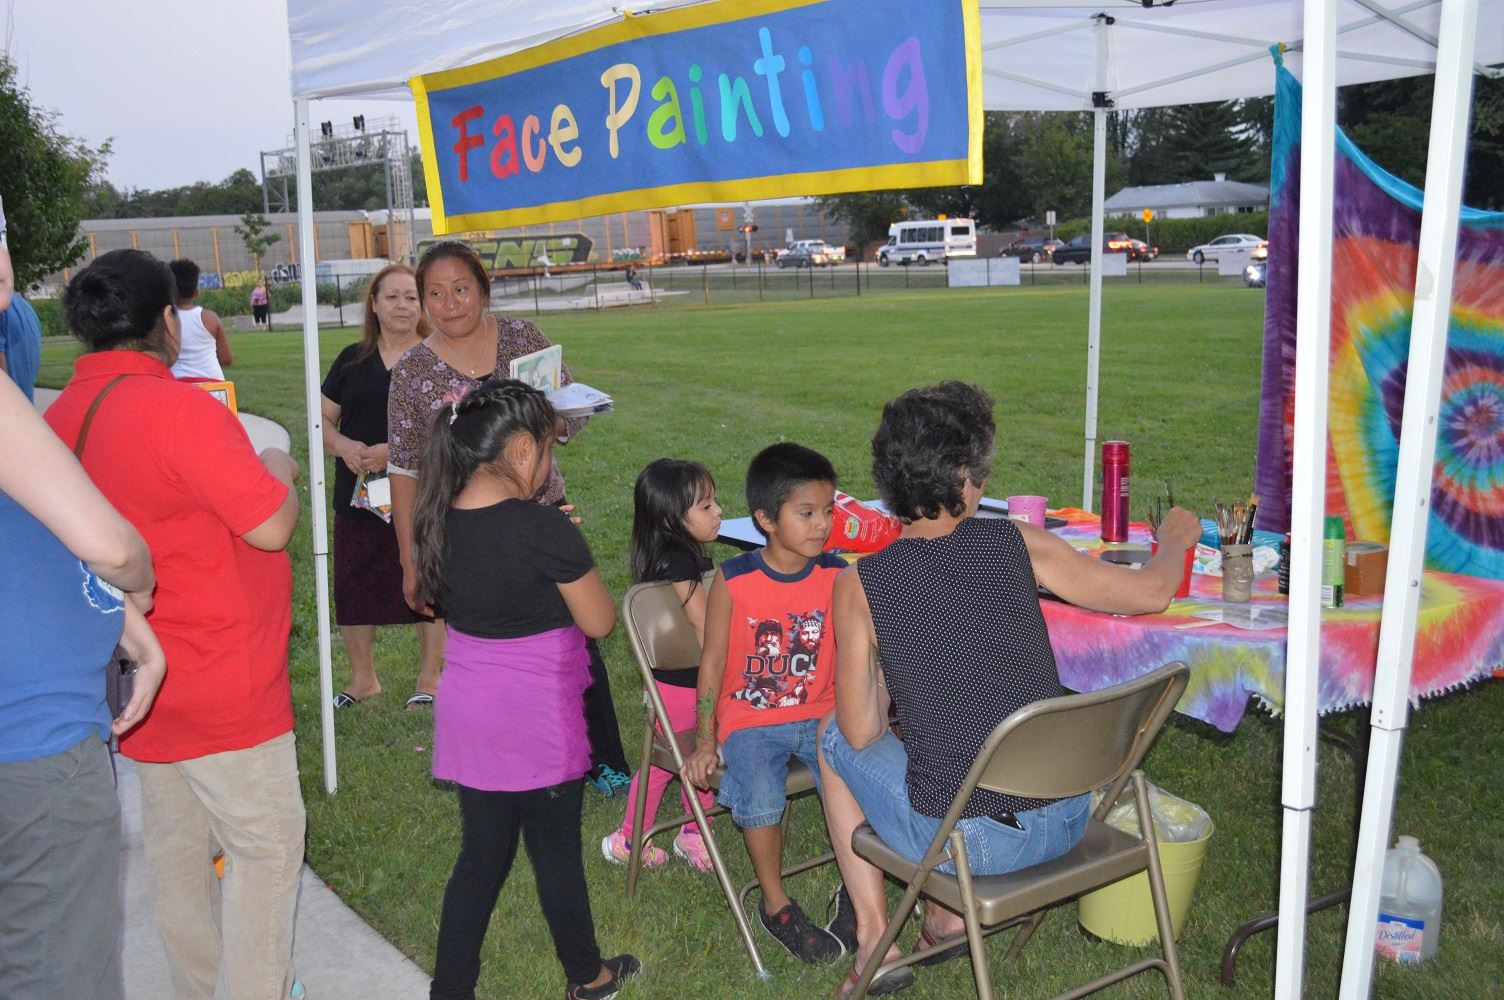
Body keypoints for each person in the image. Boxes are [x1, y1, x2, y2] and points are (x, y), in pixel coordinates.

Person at [816, 381, 1202, 997]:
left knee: (833, 734)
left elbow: (863, 731)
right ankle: (939, 917)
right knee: (930, 743)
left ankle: (874, 939)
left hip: (976, 847)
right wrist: (1177, 541)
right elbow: (1152, 593)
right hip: (1071, 814)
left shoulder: (862, 583)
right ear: (964, 476)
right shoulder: (1019, 543)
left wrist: (888, 674)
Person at [44, 249, 307, 1000]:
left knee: (177, 855)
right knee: (264, 849)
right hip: (224, 681)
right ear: (167, 320)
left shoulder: (59, 416)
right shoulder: (180, 410)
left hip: (135, 677)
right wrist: (278, 465)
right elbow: (268, 526)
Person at [412, 378, 641, 1000]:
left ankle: (451, 987)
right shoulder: (545, 531)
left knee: (480, 857)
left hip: (468, 710)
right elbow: (597, 621)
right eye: (548, 449)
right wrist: (565, 547)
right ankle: (588, 977)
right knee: (556, 854)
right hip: (536, 716)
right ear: (519, 451)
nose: (549, 462)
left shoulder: (434, 519)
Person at [387, 240, 632, 797]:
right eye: (435, 294)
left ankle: (602, 762)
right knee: (492, 650)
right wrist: (410, 560)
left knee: (573, 638)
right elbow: (403, 469)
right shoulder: (411, 371)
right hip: (465, 531)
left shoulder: (525, 339)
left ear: (484, 288)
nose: (450, 304)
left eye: (462, 289)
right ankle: (498, 764)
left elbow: (566, 417)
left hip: (540, 513)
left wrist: (560, 412)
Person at [0, 369, 165, 1000]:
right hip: (32, 747)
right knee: (57, 972)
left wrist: (114, 613)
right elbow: (111, 547)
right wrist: (138, 586)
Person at [682, 442, 848, 966]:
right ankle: (775, 905)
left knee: (853, 769)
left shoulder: (838, 574)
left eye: (827, 511)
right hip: (750, 717)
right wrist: (705, 739)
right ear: (764, 519)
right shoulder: (734, 580)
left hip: (822, 709)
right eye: (806, 513)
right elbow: (711, 663)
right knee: (758, 788)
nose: (821, 525)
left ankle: (853, 886)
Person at [322, 263, 442, 707]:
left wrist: (395, 451)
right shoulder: (351, 361)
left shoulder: (436, 359)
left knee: (426, 580)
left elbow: (452, 423)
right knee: (353, 583)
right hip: (355, 495)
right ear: (373, 305)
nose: (403, 306)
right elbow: (321, 419)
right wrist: (343, 446)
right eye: (392, 297)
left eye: (411, 297)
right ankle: (362, 681)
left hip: (422, 492)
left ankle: (429, 681)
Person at [599, 459, 722, 873]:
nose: (718, 511)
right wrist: (726, 669)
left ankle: (690, 833)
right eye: (706, 507)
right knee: (674, 762)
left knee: (692, 755)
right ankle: (629, 840)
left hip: (680, 685)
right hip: (683, 687)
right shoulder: (679, 561)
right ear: (673, 519)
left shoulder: (670, 553)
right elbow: (703, 623)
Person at [167, 258, 232, 381]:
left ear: (170, 292)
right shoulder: (210, 319)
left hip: (178, 385)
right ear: (196, 292)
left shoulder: (164, 321)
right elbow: (226, 359)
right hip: (214, 385)